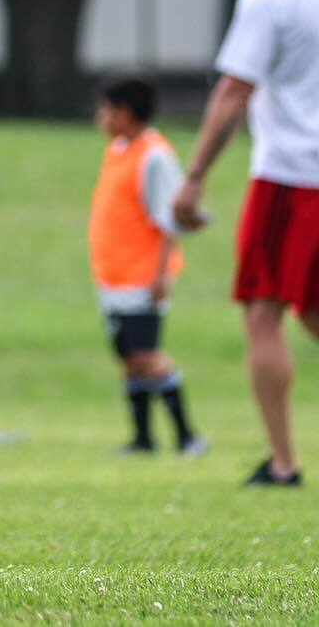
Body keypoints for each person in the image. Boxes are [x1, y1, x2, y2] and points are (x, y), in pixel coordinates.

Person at [173, 0, 319, 488]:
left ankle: (283, 462)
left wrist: (194, 176)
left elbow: (234, 91)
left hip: (291, 176)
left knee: (265, 314)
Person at [89, 78, 205, 457]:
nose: (100, 117)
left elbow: (169, 220)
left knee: (146, 356)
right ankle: (142, 439)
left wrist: (161, 275)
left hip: (142, 276)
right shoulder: (118, 149)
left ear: (125, 112)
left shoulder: (155, 156)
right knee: (128, 357)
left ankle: (187, 436)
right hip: (114, 275)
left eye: (105, 109)